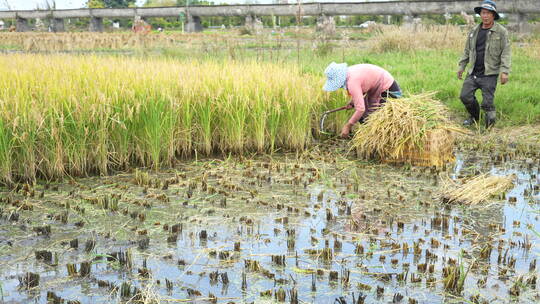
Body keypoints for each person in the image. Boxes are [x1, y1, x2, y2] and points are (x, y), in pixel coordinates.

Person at [458, 0, 511, 128]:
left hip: (489, 74)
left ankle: (489, 127)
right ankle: (475, 117)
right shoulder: (474, 31)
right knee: (465, 96)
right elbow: (467, 50)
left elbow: (506, 52)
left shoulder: (501, 32)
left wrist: (504, 71)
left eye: (488, 13)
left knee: (487, 103)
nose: (485, 16)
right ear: (480, 14)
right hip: (473, 72)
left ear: (493, 15)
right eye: (483, 13)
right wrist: (462, 66)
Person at [323, 62, 402, 138]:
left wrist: (348, 126)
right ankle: (370, 140)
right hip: (379, 87)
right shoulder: (349, 73)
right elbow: (363, 86)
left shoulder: (352, 82)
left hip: (389, 90)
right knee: (364, 118)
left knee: (372, 119)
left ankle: (378, 142)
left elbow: (360, 109)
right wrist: (352, 102)